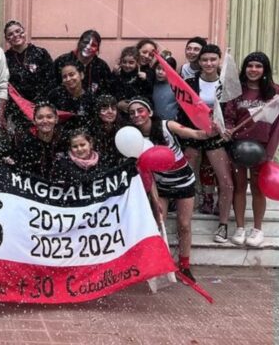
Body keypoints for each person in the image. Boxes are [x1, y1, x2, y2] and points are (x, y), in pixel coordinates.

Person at [127, 97, 216, 282]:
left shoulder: (167, 125)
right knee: (158, 224)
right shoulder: (134, 139)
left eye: (140, 110)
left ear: (150, 112)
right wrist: (155, 199)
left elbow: (195, 134)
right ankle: (157, 265)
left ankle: (184, 266)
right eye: (132, 112)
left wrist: (211, 131)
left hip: (184, 181)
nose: (137, 115)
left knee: (184, 225)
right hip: (161, 185)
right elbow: (147, 174)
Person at [224, 52, 279, 247]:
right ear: (244, 68)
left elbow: (278, 124)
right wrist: (227, 131)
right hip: (238, 148)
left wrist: (269, 153)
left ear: (264, 69)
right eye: (250, 66)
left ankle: (257, 230)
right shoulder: (236, 90)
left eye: (258, 66)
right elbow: (229, 117)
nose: (253, 70)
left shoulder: (275, 92)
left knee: (258, 189)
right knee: (239, 188)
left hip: (261, 150)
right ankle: (240, 228)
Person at [180, 44, 235, 242]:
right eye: (204, 60)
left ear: (219, 60)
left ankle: (223, 225)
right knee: (184, 178)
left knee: (226, 181)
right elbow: (183, 111)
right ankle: (183, 221)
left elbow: (232, 110)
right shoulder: (189, 82)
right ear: (199, 62)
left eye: (213, 59)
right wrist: (191, 132)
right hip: (194, 135)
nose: (209, 63)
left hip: (216, 137)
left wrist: (227, 127)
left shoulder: (225, 83)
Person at [53, 30, 115, 96]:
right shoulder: (62, 61)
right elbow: (52, 85)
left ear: (97, 49)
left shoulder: (102, 66)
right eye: (85, 42)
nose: (88, 47)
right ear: (79, 43)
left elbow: (108, 91)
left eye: (93, 45)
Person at [15, 102, 66, 179]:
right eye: (40, 117)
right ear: (34, 121)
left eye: (49, 117)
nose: (45, 121)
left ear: (56, 119)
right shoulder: (26, 142)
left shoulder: (65, 140)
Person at [48, 61, 97, 130]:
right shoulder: (55, 95)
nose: (68, 79)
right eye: (65, 77)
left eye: (71, 74)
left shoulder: (91, 98)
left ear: (81, 75)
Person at [89, 95, 125, 162]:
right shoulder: (91, 131)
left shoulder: (124, 129)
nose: (110, 112)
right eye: (104, 109)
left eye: (113, 108)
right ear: (98, 113)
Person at [151, 55, 180, 120]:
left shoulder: (177, 87)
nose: (160, 72)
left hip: (173, 124)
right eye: (158, 68)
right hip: (157, 123)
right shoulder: (152, 84)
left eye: (165, 70)